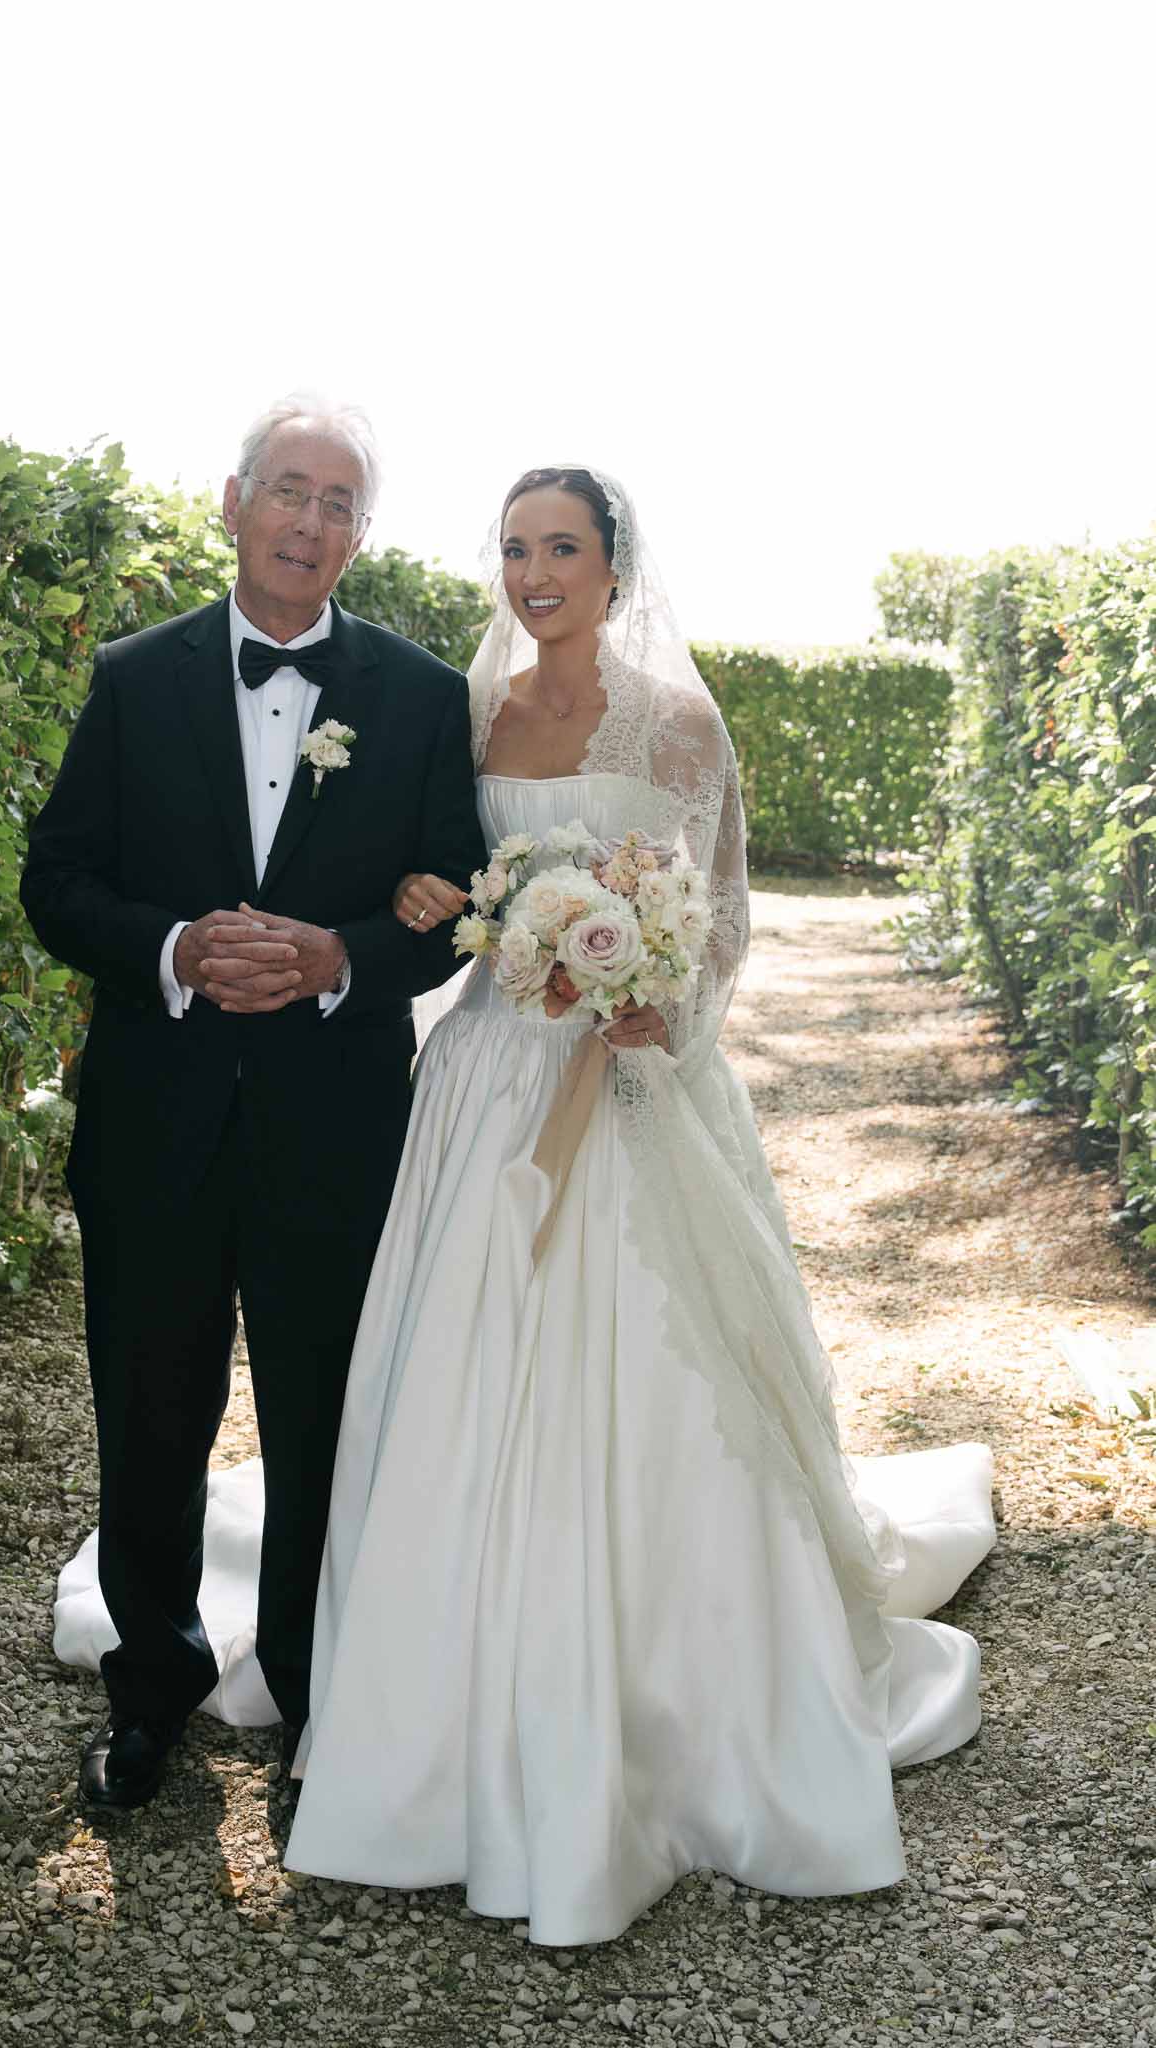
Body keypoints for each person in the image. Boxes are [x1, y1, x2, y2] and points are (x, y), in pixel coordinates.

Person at [279, 466, 995, 1944]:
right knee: (460, 1368)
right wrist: (436, 902)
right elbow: (444, 870)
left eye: (563, 548)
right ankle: (432, 1701)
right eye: (517, 549)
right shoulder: (466, 713)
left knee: (647, 1378)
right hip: (488, 1072)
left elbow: (718, 906)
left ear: (615, 564)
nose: (535, 572)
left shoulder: (673, 719)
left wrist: (655, 1002)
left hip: (625, 1074)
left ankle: (678, 1705)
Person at [22, 394, 485, 1809]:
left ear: (361, 534)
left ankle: (311, 1706)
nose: (310, 522)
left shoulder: (420, 696)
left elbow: (465, 902)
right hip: (156, 1127)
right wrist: (172, 949)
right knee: (150, 1422)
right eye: (289, 491)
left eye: (340, 504)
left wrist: (346, 956)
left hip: (334, 1135)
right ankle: (149, 1695)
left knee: (323, 1426)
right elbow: (58, 884)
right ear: (234, 503)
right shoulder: (135, 678)